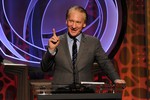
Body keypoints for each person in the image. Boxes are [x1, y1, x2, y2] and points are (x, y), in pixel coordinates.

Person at [41, 6, 126, 87]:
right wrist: (51, 50)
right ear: (66, 21)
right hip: (60, 92)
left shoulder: (93, 42)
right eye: (71, 21)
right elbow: (44, 68)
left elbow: (105, 63)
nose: (74, 26)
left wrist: (116, 79)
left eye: (78, 22)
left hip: (86, 92)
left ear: (84, 24)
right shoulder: (56, 41)